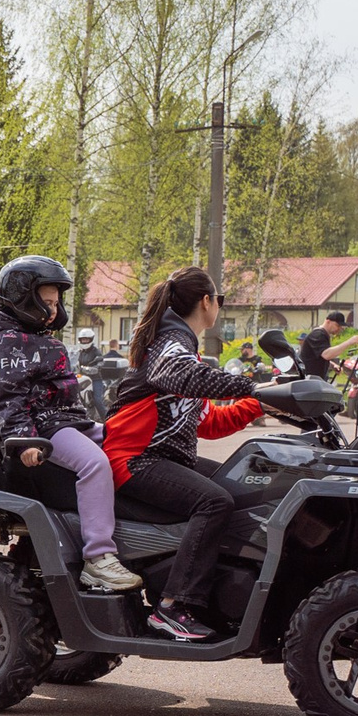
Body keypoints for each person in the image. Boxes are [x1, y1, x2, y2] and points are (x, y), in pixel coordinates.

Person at [100, 267, 264, 642]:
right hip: (134, 459)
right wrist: (253, 386)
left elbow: (209, 422)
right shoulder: (173, 343)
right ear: (207, 302)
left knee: (241, 482)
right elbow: (178, 376)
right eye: (219, 300)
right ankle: (173, 606)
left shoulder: (180, 348)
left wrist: (262, 404)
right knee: (215, 502)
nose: (219, 307)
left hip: (164, 459)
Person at [0, 256, 143, 595]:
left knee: (125, 439)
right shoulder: (5, 343)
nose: (53, 309)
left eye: (55, 302)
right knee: (94, 464)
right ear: (22, 299)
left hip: (67, 421)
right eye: (45, 302)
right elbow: (8, 399)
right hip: (43, 427)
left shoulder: (34, 337)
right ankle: (98, 557)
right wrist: (24, 442)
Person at [298, 310, 358, 381]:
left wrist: (332, 365)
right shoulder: (318, 335)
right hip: (309, 380)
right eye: (337, 325)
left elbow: (317, 356)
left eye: (341, 327)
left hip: (316, 379)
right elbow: (326, 354)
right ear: (328, 321)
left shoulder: (323, 335)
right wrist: (349, 342)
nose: (339, 329)